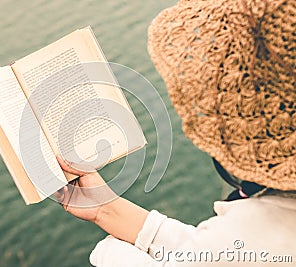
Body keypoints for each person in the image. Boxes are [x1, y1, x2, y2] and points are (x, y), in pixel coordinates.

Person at [55, 0, 296, 266]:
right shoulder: (269, 224)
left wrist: (107, 251)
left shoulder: (258, 229)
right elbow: (218, 252)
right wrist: (105, 209)